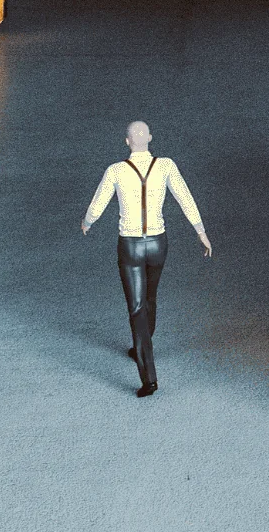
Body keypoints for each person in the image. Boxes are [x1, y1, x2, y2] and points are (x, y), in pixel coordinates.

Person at [81, 120, 210, 397]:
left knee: (137, 307)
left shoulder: (115, 170)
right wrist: (200, 230)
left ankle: (148, 377)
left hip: (130, 245)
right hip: (158, 243)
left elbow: (98, 203)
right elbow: (185, 198)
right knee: (150, 298)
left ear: (126, 142)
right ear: (150, 138)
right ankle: (143, 344)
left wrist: (87, 222)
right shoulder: (166, 166)